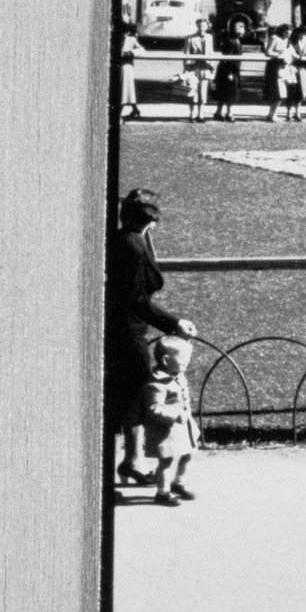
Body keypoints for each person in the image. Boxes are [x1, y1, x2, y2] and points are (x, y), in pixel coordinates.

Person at [107, 189, 198, 490]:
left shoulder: (131, 241)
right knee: (136, 397)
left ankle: (132, 461)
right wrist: (173, 323)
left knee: (132, 396)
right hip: (127, 332)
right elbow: (137, 299)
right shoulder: (132, 247)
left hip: (129, 330)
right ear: (152, 218)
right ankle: (133, 461)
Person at [131, 335, 200, 505]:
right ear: (166, 360)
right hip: (166, 431)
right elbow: (154, 408)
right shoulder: (157, 384)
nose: (187, 361)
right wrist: (175, 415)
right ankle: (163, 492)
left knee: (189, 454)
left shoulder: (178, 375)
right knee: (166, 461)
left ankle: (179, 482)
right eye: (183, 358)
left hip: (184, 428)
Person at [180, 18, 212, 122]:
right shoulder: (190, 38)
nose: (201, 28)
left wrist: (212, 69)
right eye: (199, 26)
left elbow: (211, 53)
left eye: (203, 26)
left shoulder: (209, 37)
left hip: (205, 67)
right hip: (193, 68)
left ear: (207, 26)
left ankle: (201, 114)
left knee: (203, 92)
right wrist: (186, 70)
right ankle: (192, 114)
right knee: (192, 91)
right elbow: (186, 54)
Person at [210, 25, 242, 122]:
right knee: (229, 92)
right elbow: (227, 58)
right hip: (228, 71)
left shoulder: (237, 41)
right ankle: (228, 113)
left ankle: (219, 112)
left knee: (226, 92)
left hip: (233, 70)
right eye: (240, 28)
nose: (243, 30)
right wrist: (230, 72)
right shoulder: (231, 42)